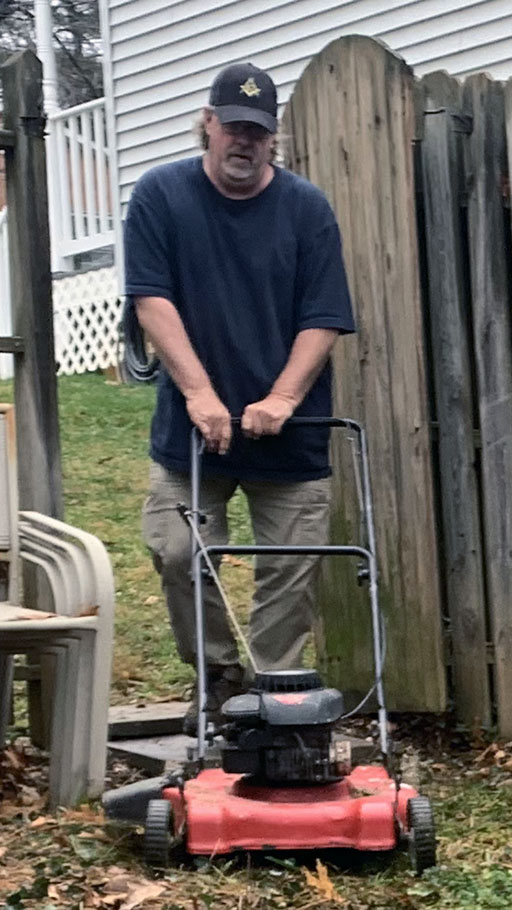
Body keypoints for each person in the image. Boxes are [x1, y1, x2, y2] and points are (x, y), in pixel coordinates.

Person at [124, 62, 355, 730]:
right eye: (233, 126)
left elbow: (325, 316)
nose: (243, 142)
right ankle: (221, 677)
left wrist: (283, 397)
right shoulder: (162, 195)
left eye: (257, 131)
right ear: (208, 122)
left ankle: (275, 696)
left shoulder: (307, 208)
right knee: (176, 546)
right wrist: (199, 394)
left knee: (292, 563)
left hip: (292, 428)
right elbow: (150, 299)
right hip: (194, 430)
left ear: (273, 137)